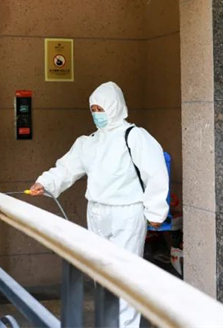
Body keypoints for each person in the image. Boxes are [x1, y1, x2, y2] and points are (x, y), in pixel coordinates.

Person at [29, 81, 169, 328]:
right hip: (96, 211)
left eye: (100, 108)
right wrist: (45, 183)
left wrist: (156, 211)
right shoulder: (89, 142)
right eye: (93, 109)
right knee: (101, 273)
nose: (96, 114)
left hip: (127, 212)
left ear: (114, 107)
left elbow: (155, 172)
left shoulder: (134, 136)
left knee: (125, 276)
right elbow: (67, 167)